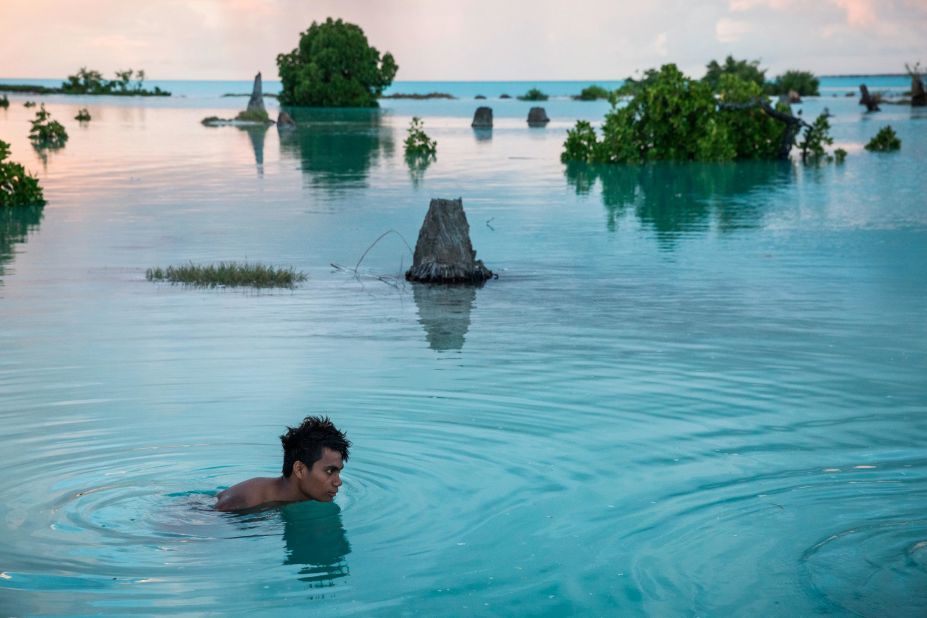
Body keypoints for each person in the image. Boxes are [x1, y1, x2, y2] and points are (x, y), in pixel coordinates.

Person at [216, 416, 350, 512]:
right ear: (299, 469)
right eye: (329, 471)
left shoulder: (307, 496)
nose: (338, 482)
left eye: (338, 471)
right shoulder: (249, 499)